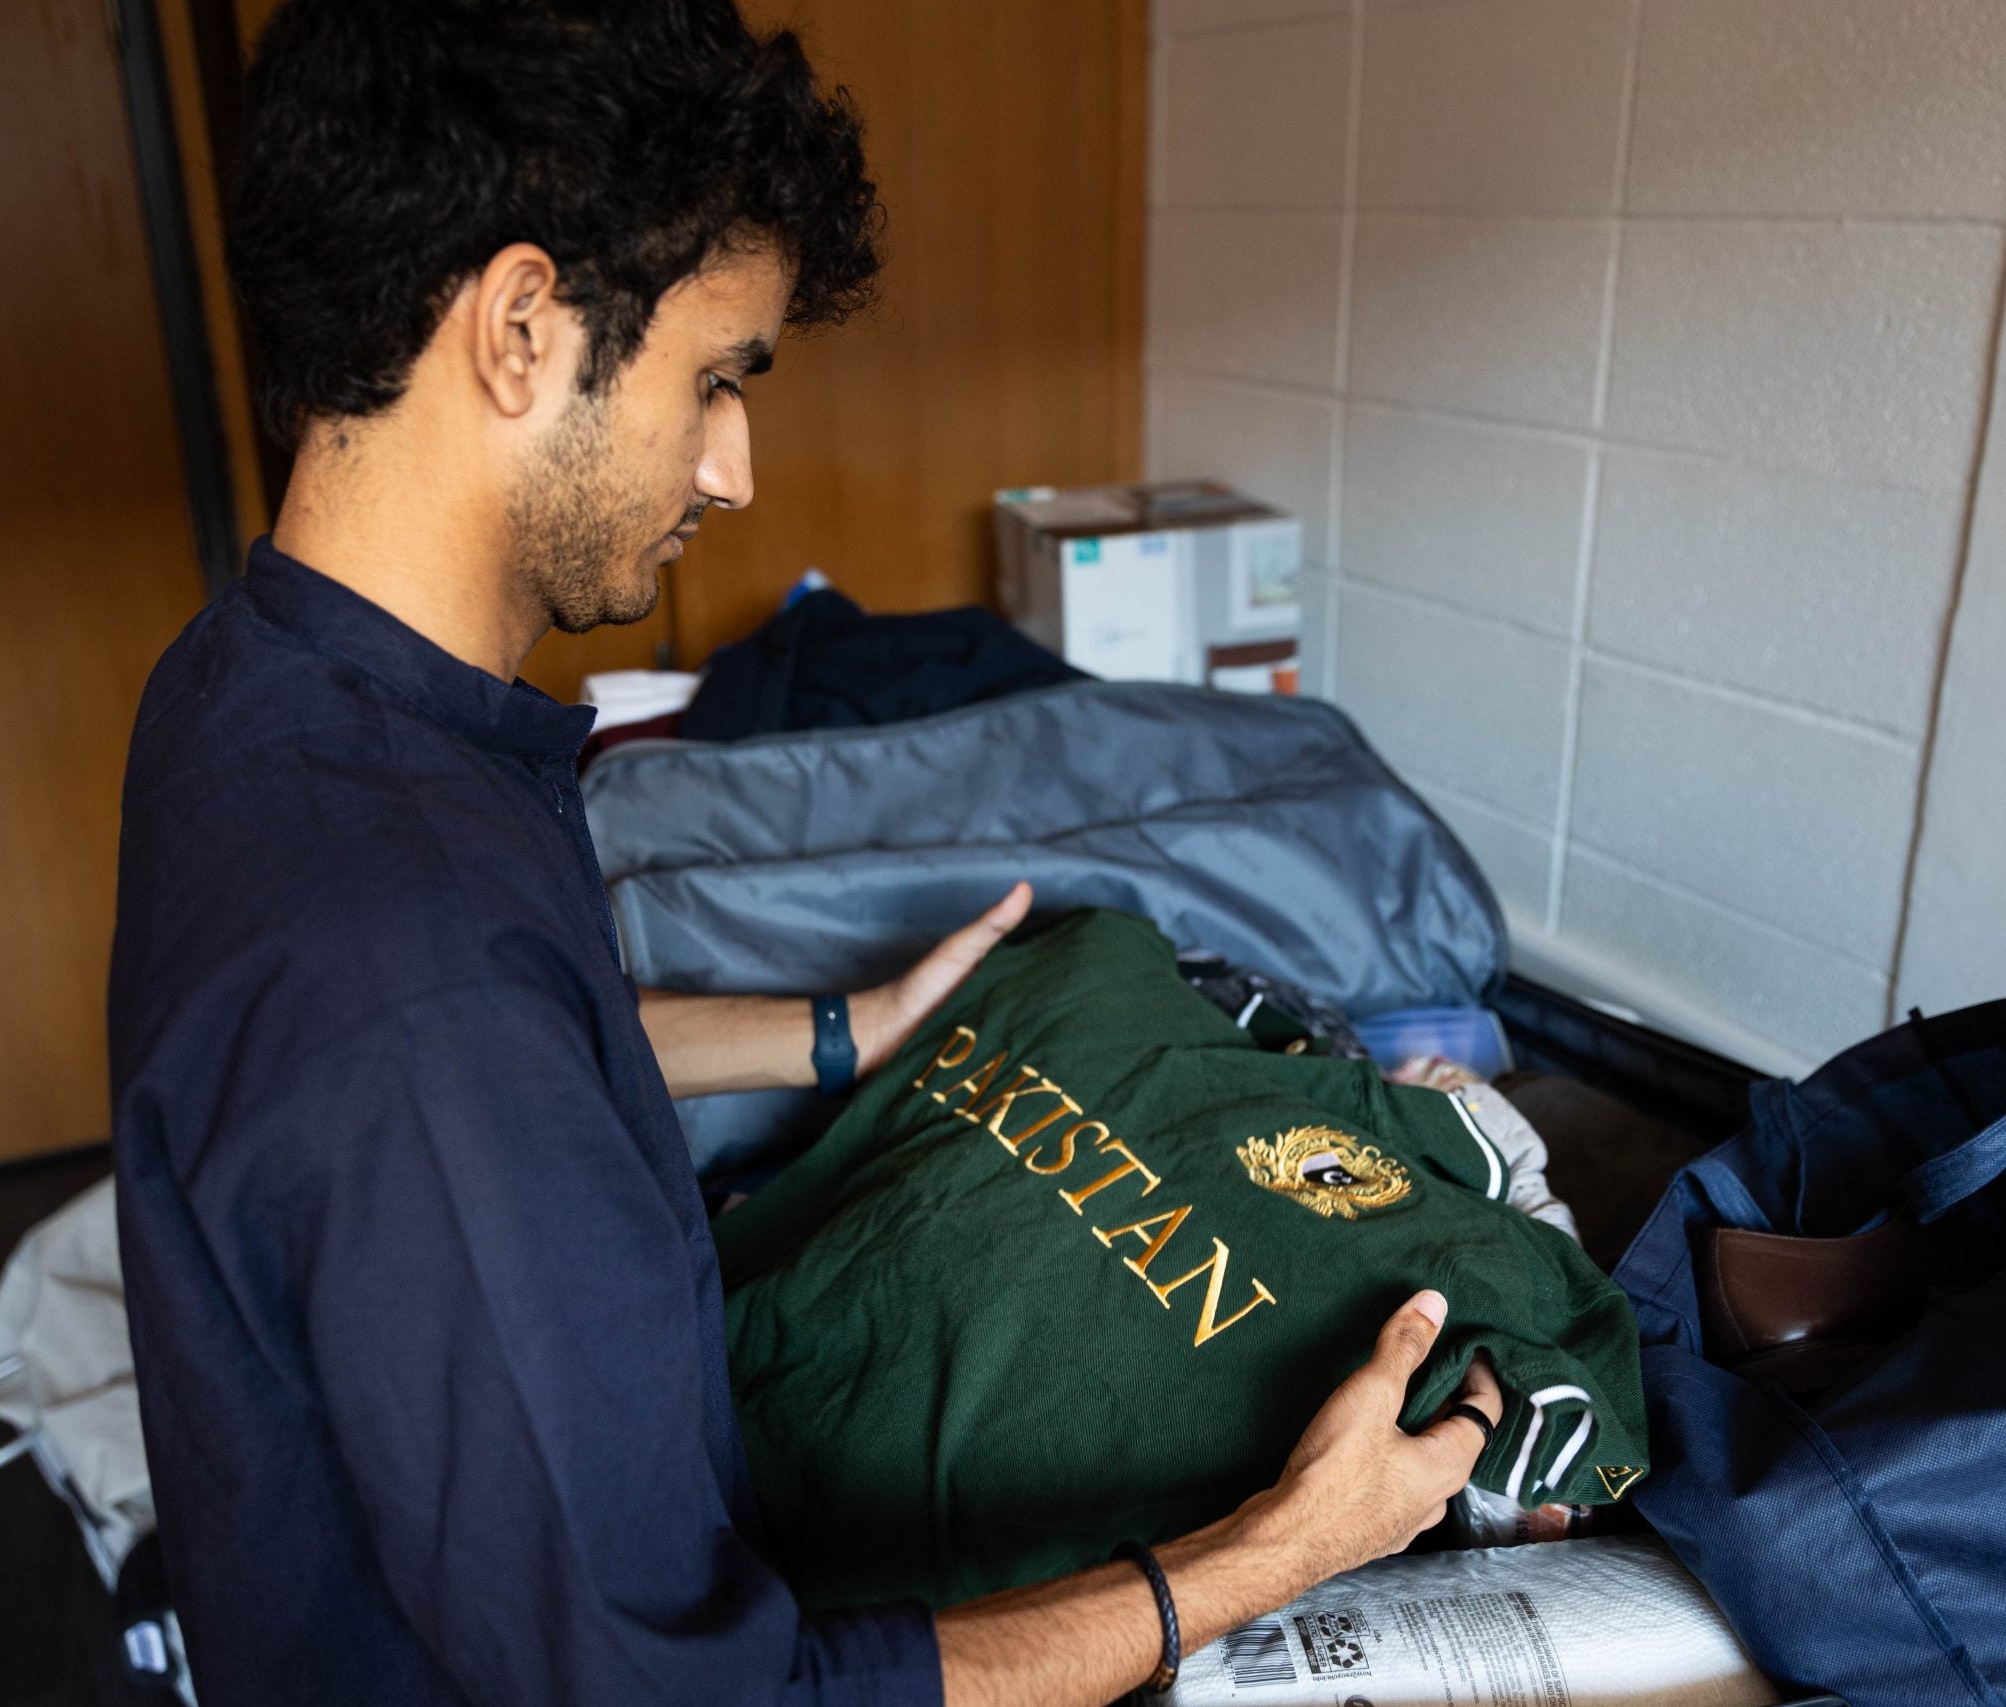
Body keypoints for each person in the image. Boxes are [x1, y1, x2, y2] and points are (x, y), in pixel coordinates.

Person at [108, 2, 1501, 1703]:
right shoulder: (410, 967)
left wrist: (842, 1030)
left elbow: (525, 1063)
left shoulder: (255, 692)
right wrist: (1274, 1552)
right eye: (715, 379)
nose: (733, 468)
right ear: (524, 328)